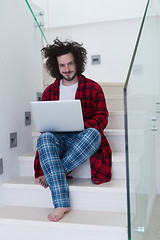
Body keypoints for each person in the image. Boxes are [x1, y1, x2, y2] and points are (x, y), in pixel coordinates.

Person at [34, 38, 112, 222]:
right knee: (44, 139)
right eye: (62, 65)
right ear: (56, 66)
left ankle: (54, 176)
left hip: (83, 140)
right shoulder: (49, 92)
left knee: (94, 133)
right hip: (59, 141)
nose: (67, 69)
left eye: (70, 63)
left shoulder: (93, 88)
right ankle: (62, 203)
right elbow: (44, 125)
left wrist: (80, 124)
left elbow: (102, 118)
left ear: (77, 62)